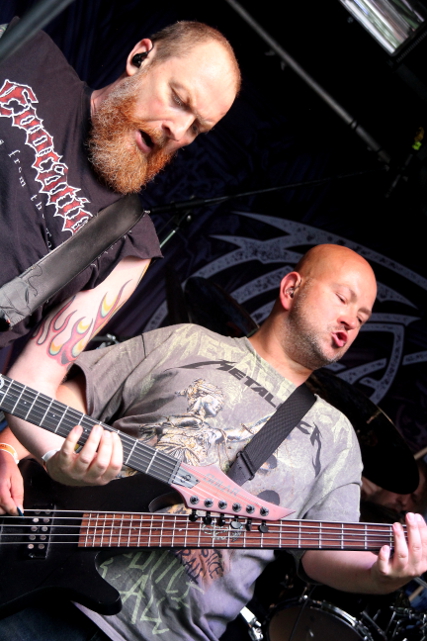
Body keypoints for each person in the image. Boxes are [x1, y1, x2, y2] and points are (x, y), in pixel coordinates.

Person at [0, 244, 426, 641]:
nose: (352, 320)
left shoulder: (336, 436)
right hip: (43, 581)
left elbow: (320, 553)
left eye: (363, 317)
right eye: (343, 299)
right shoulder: (187, 341)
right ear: (291, 288)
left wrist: (379, 577)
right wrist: (6, 451)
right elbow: (70, 400)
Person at [0, 19, 240, 488]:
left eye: (198, 128)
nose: (178, 131)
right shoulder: (25, 52)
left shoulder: (128, 240)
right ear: (139, 58)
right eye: (179, 100)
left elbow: (33, 380)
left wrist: (55, 458)